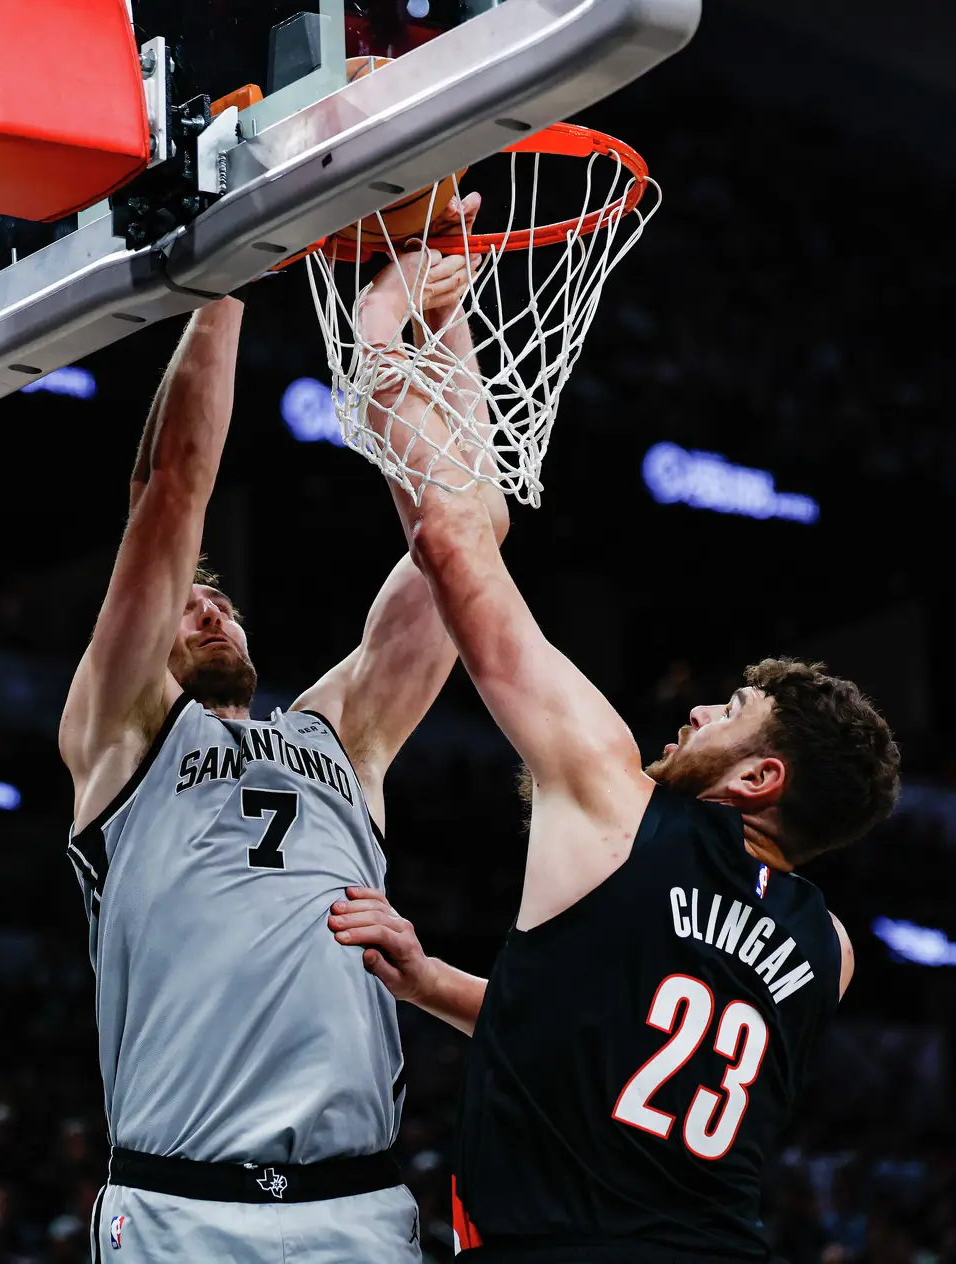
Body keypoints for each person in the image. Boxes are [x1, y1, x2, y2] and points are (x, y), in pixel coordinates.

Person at [327, 242, 901, 1262]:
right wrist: (428, 982)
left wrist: (381, 344)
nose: (694, 715)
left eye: (727, 711)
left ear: (758, 777)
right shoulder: (831, 952)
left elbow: (456, 547)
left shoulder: (616, 794)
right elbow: (596, 1032)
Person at [58, 214, 507, 1264]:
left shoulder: (340, 731)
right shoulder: (124, 733)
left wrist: (446, 322)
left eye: (226, 605)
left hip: (355, 1202)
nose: (212, 611)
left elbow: (467, 547)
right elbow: (170, 491)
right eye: (190, 605)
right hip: (183, 1205)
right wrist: (232, 267)